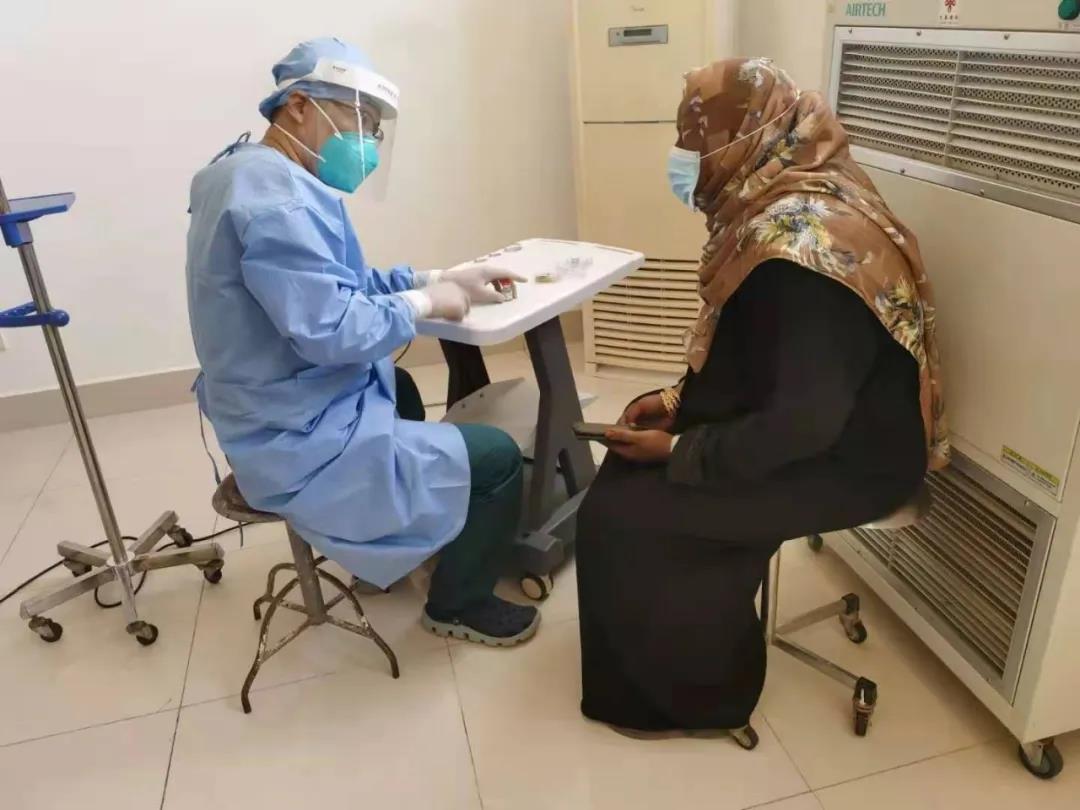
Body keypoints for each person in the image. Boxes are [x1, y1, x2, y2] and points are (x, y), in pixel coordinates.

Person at [574, 58, 949, 736]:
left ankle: (695, 698)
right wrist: (677, 403)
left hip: (853, 460)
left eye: (695, 140)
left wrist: (682, 452)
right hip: (818, 424)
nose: (684, 158)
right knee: (626, 481)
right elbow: (761, 354)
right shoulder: (786, 204)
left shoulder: (804, 248)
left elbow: (804, 421)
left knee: (627, 516)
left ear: (749, 135)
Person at [185, 37, 539, 647]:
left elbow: (338, 285)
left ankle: (393, 544)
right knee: (498, 458)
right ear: (299, 105)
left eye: (375, 128)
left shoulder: (245, 175)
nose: (368, 143)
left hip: (272, 403)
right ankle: (458, 604)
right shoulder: (277, 201)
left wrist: (437, 279)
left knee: (398, 384)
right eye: (360, 120)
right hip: (291, 434)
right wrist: (425, 304)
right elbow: (332, 328)